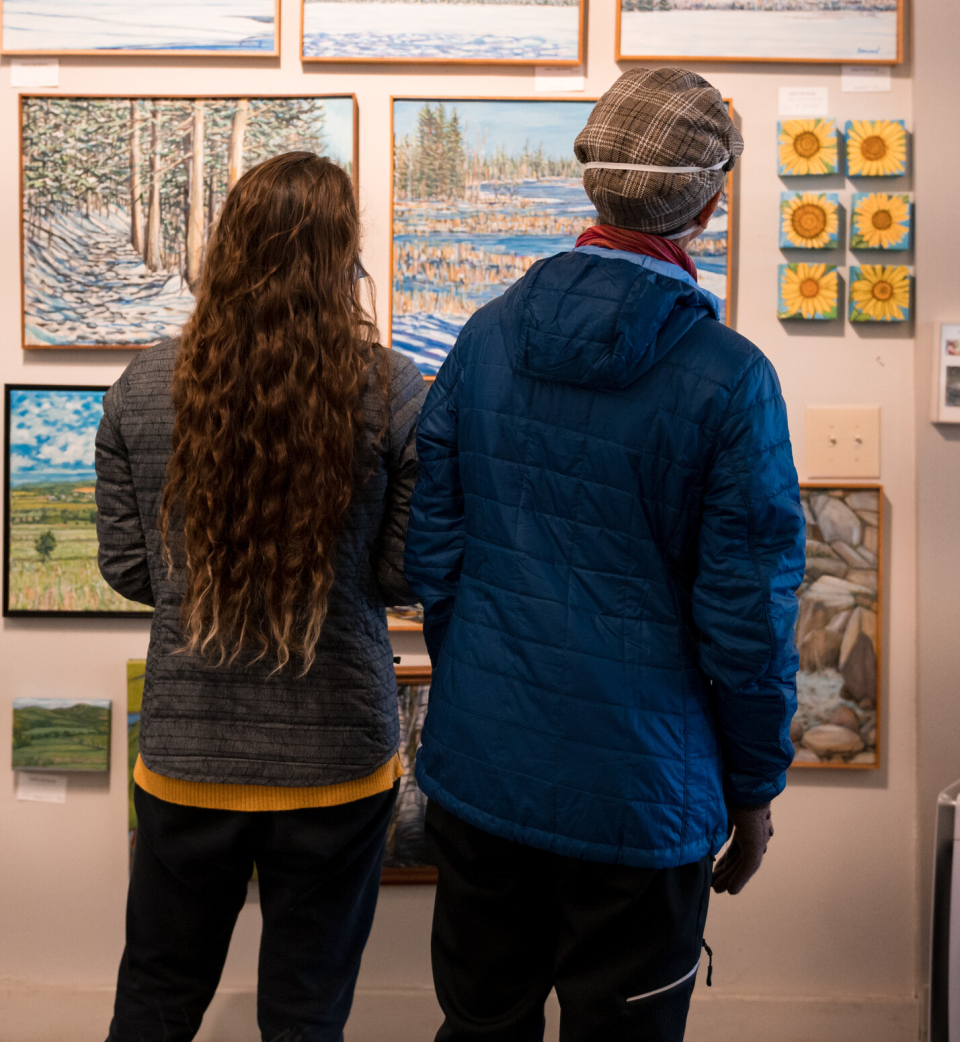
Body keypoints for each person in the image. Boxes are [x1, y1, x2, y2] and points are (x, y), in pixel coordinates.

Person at [404, 67, 805, 1042]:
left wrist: (490, 693)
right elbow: (747, 618)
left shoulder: (486, 337)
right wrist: (753, 791)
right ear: (709, 203)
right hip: (641, 797)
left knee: (480, 1025)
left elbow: (435, 556)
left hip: (483, 772)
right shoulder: (730, 379)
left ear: (596, 186)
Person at [96, 152, 426, 1042]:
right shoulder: (390, 390)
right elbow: (401, 574)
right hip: (337, 757)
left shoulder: (140, 387)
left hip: (187, 749)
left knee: (157, 996)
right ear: (342, 255)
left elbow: (128, 569)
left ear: (226, 246)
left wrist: (196, 594)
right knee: (306, 1010)